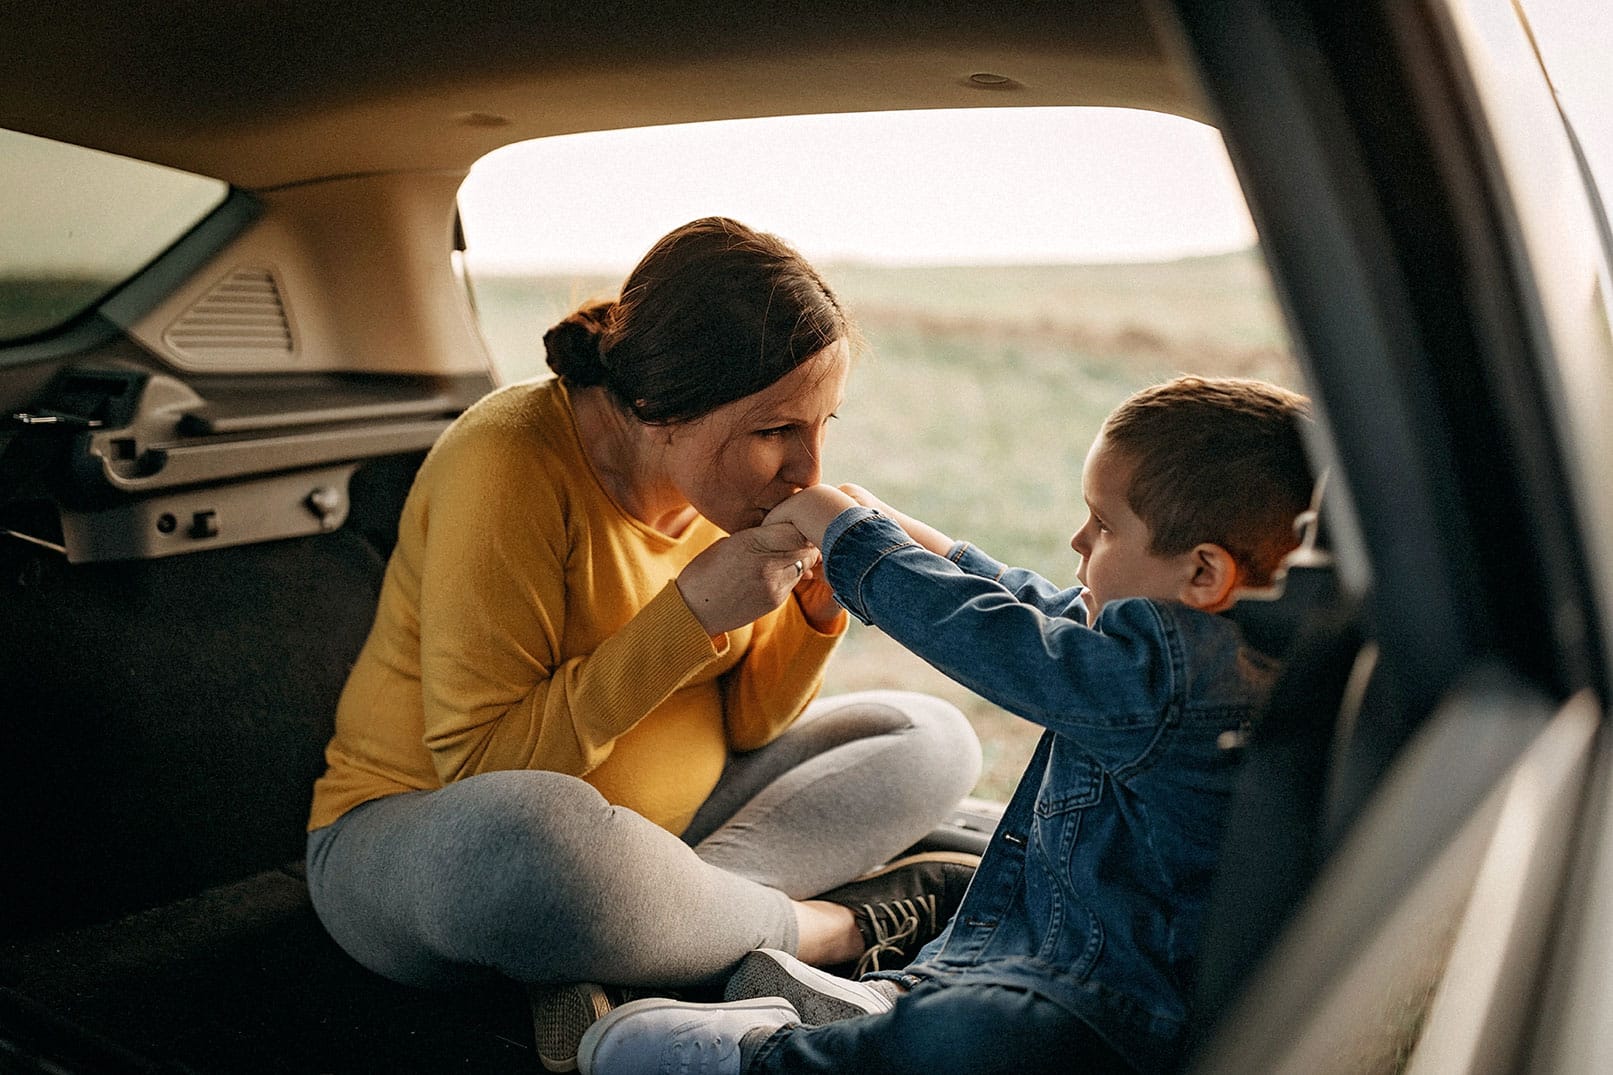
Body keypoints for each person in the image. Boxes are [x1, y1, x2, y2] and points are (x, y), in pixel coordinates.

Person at [303, 217, 983, 1071]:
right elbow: (486, 769)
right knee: (533, 850)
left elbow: (749, 730)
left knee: (931, 736)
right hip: (427, 840)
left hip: (673, 836)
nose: (808, 469)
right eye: (776, 429)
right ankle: (819, 931)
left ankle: (638, 955)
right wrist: (690, 612)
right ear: (663, 407)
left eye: (822, 424)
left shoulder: (725, 491)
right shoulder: (508, 458)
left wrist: (812, 617)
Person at [576, 375, 1315, 1075]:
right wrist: (910, 537)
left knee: (974, 1037)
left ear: (1202, 574)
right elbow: (1038, 611)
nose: (1077, 542)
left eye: (1103, 524)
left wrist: (855, 542)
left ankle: (769, 1055)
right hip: (1040, 959)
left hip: (1105, 1011)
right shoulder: (1198, 651)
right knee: (969, 1003)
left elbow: (998, 637)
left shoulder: (1175, 686)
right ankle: (890, 998)